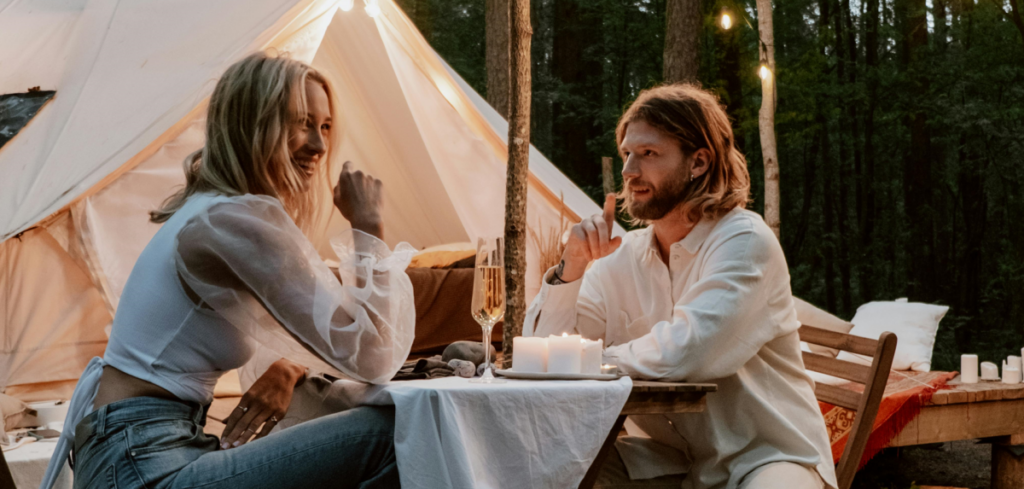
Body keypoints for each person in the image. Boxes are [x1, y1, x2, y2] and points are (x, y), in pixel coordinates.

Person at [40, 51, 416, 489]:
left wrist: (288, 367)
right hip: (140, 461)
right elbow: (374, 356)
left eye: (325, 126)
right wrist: (369, 227)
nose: (319, 144)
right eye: (301, 123)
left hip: (144, 446)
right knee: (394, 434)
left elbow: (308, 325)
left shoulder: (216, 212)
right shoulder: (234, 221)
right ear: (254, 124)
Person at [523, 84, 837, 489]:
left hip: (767, 459)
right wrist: (572, 269)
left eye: (648, 154)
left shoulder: (744, 242)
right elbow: (541, 356)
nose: (629, 170)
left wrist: (587, 361)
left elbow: (688, 352)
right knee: (547, 466)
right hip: (676, 462)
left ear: (699, 162)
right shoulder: (619, 256)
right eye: (626, 154)